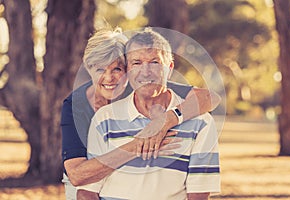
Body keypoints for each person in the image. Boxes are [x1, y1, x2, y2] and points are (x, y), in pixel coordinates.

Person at [61, 27, 221, 199]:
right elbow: (77, 177)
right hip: (84, 175)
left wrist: (166, 120)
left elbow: (209, 98)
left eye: (117, 69)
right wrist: (139, 143)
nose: (109, 78)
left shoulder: (145, 82)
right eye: (100, 70)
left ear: (126, 69)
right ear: (89, 69)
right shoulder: (76, 105)